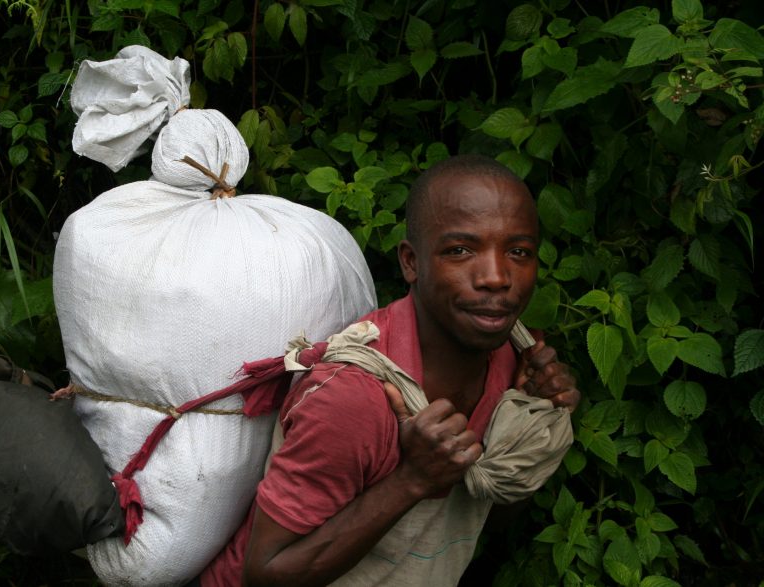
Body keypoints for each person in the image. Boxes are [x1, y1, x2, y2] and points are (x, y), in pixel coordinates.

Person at [199, 154, 580, 586]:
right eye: (460, 250)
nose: (496, 277)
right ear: (411, 263)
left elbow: (486, 516)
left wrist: (532, 422)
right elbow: (264, 573)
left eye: (518, 252)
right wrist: (413, 480)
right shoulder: (353, 399)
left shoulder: (510, 357)